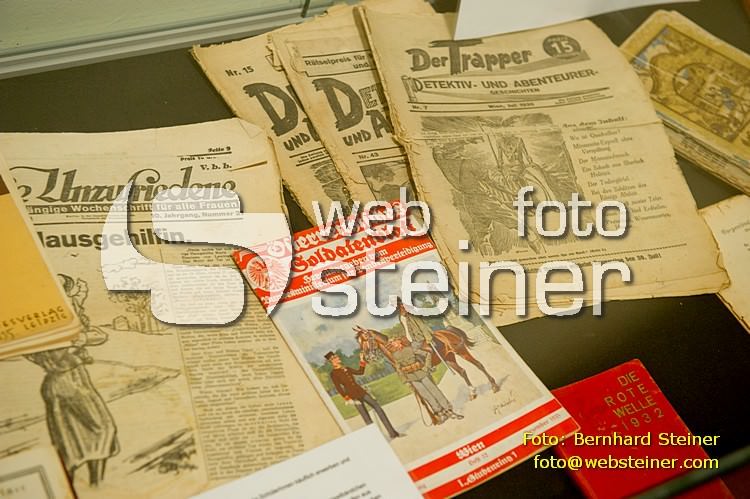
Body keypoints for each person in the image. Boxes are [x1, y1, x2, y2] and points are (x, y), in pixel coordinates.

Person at [325, 351, 402, 439]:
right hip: (353, 397)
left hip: (361, 392)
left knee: (378, 408)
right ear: (332, 361)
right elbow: (338, 388)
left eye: (337, 356)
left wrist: (362, 360)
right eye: (336, 357)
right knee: (366, 418)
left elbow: (360, 372)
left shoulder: (346, 368)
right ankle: (378, 439)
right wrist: (347, 398)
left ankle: (392, 433)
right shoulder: (333, 374)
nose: (338, 358)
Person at [386, 336, 462, 424]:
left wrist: (426, 367)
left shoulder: (410, 349)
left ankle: (449, 411)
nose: (393, 344)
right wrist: (405, 381)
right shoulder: (395, 355)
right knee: (427, 396)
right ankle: (440, 413)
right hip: (412, 378)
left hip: (422, 374)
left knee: (435, 392)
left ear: (399, 341)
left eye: (394, 342)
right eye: (392, 343)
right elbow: (399, 369)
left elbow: (427, 354)